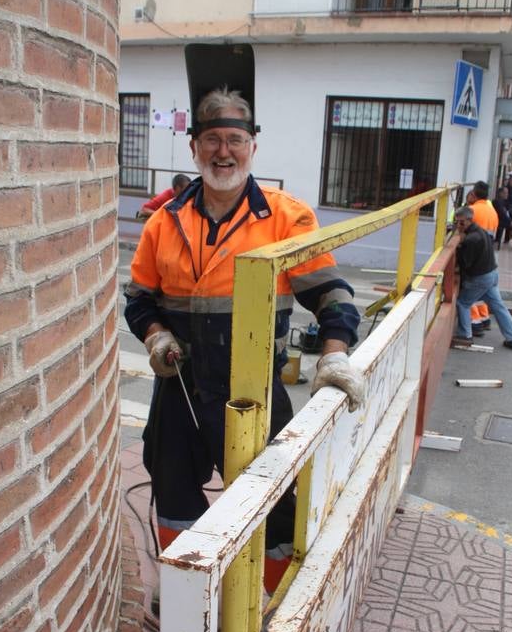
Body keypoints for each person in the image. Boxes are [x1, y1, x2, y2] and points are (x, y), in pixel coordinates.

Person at [124, 87, 363, 593]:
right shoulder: (165, 223)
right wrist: (155, 335)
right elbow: (139, 299)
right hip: (180, 388)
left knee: (274, 506)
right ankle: (185, 596)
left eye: (235, 139)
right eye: (212, 140)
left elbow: (330, 293)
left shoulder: (286, 217)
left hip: (254, 391)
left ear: (253, 145)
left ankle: (275, 605)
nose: (223, 152)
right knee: (172, 495)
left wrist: (336, 354)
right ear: (194, 148)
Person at [453, 206, 512, 351]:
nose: (458, 226)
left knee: (463, 303)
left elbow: (465, 263)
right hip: (491, 274)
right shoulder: (481, 232)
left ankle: (465, 335)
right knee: (498, 306)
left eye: (460, 222)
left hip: (480, 278)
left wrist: (459, 247)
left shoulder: (471, 239)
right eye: (456, 222)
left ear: (469, 220)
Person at [466, 181, 498, 336]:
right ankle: (484, 319)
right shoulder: (492, 211)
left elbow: (466, 233)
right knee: (482, 293)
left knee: (469, 291)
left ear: (474, 193)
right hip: (489, 256)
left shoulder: (472, 210)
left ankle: (475, 323)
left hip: (477, 257)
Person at [493, 186, 512, 252]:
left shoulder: (503, 201)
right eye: (505, 193)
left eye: (507, 193)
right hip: (500, 221)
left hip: (503, 220)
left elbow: (507, 211)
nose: (507, 194)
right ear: (500, 193)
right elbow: (503, 214)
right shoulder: (497, 202)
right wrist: (510, 221)